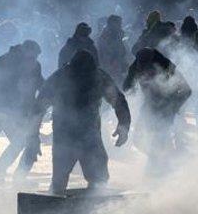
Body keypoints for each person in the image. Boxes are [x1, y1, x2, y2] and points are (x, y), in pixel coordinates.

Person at [34, 50, 130, 194]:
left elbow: (118, 100)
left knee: (98, 179)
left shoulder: (96, 76)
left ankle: (98, 211)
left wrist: (124, 125)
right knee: (60, 181)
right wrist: (32, 135)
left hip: (88, 136)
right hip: (67, 136)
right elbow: (39, 106)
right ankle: (52, 213)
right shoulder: (64, 77)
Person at [123, 48, 192, 176]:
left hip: (165, 109)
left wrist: (173, 105)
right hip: (148, 107)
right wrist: (130, 84)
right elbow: (127, 86)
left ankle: (159, 172)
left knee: (159, 140)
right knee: (138, 140)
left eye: (147, 63)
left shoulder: (167, 66)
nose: (144, 67)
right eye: (141, 63)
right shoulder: (137, 66)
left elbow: (187, 90)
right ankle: (163, 162)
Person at [0, 40, 44, 182]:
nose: (34, 59)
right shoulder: (5, 61)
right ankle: (2, 170)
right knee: (22, 142)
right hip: (7, 111)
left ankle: (18, 177)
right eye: (32, 56)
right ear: (24, 51)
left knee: (30, 145)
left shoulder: (34, 65)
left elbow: (41, 84)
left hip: (26, 112)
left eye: (36, 57)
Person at [97, 15, 129, 86]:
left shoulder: (118, 34)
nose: (120, 25)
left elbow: (122, 49)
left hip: (117, 65)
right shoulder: (105, 35)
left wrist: (123, 61)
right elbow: (104, 52)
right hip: (109, 65)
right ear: (112, 23)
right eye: (119, 23)